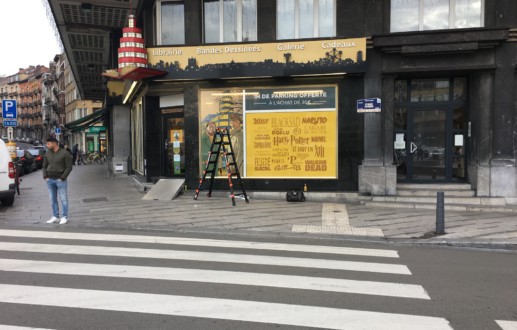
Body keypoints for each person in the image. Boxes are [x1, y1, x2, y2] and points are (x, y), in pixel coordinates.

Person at [43, 137, 73, 225]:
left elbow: (69, 167)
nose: (47, 145)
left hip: (60, 180)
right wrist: (45, 176)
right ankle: (55, 216)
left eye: (48, 144)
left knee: (63, 199)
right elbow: (44, 166)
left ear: (54, 143)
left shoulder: (65, 153)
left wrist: (63, 177)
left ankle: (64, 217)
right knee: (52, 199)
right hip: (50, 180)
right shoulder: (47, 153)